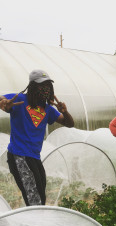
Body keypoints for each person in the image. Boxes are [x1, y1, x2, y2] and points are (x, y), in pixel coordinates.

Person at [0, 69, 74, 206]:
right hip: (19, 155)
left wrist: (64, 111)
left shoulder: (48, 109)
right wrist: (4, 103)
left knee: (40, 197)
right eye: (41, 85)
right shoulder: (19, 100)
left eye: (48, 85)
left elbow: (69, 123)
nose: (45, 89)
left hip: (34, 157)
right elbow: (2, 99)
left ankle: (34, 224)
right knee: (35, 200)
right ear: (32, 86)